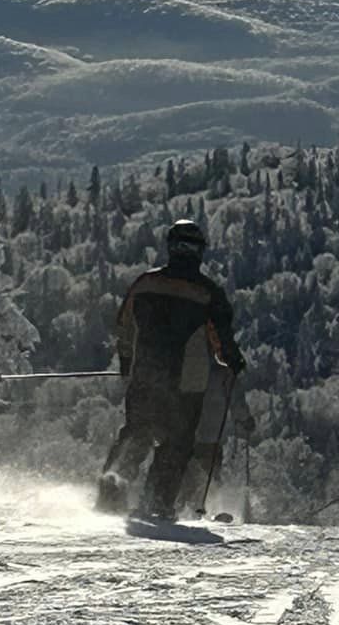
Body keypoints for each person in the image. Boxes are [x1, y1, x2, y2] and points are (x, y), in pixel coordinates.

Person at [96, 220, 247, 520]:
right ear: (199, 252)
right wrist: (233, 361)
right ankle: (156, 504)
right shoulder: (207, 292)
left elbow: (124, 326)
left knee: (137, 432)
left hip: (145, 376)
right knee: (176, 443)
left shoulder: (146, 282)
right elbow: (222, 340)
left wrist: (127, 362)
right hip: (187, 382)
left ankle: (110, 494)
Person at [176, 358, 255, 516]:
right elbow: (236, 400)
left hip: (186, 432)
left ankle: (178, 506)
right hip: (210, 435)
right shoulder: (225, 374)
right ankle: (204, 508)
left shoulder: (187, 366)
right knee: (210, 473)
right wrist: (245, 419)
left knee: (186, 471)